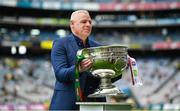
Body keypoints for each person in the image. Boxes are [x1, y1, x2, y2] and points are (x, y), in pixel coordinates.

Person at [49, 10, 122, 110]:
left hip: (95, 105)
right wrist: (78, 69)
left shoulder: (99, 47)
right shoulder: (60, 44)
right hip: (67, 105)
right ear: (72, 24)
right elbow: (60, 74)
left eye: (90, 22)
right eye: (84, 22)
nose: (88, 24)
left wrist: (119, 66)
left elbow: (105, 78)